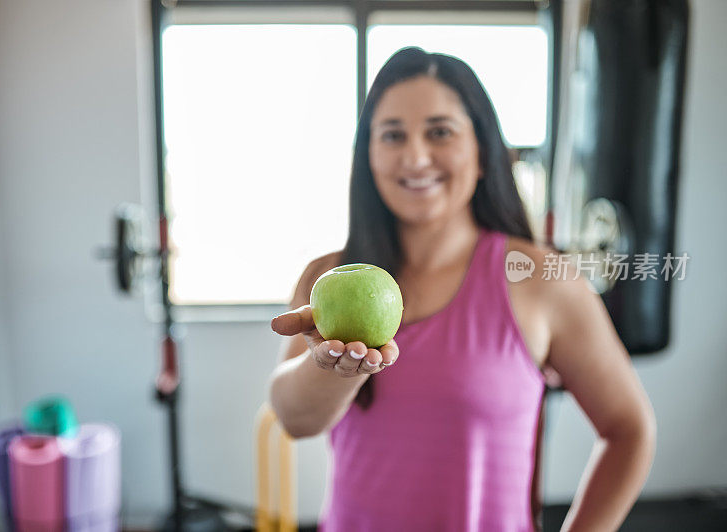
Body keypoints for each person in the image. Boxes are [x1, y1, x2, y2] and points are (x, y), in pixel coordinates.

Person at [267, 47, 656, 531]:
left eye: (439, 132)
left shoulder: (541, 279)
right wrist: (334, 369)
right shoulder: (326, 275)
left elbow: (629, 429)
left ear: (483, 153)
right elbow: (294, 419)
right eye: (392, 135)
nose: (415, 156)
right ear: (368, 157)